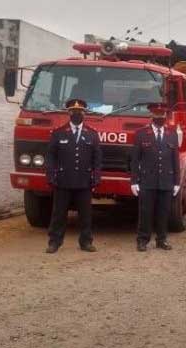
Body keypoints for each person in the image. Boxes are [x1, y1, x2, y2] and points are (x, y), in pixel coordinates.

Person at [44, 98, 102, 254]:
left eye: (80, 112)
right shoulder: (58, 133)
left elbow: (97, 158)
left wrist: (96, 176)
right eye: (74, 111)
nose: (77, 114)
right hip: (63, 180)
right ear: (68, 113)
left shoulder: (92, 134)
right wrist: (50, 175)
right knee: (59, 213)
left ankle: (86, 242)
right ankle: (54, 242)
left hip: (84, 181)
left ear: (85, 114)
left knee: (86, 215)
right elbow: (50, 157)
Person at [130, 103, 180, 252]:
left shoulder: (172, 134)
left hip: (166, 180)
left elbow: (175, 159)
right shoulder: (141, 134)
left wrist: (176, 182)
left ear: (165, 117)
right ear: (152, 117)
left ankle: (162, 239)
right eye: (157, 116)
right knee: (145, 212)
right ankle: (142, 240)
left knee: (163, 212)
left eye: (162, 116)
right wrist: (134, 181)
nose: (160, 119)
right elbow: (135, 160)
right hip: (147, 180)